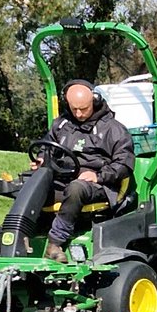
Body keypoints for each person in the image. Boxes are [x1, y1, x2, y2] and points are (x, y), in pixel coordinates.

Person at [35, 79, 135, 261]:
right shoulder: (61, 125)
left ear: (95, 102)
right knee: (31, 183)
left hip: (101, 185)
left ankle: (55, 243)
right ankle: (9, 234)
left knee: (76, 188)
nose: (79, 114)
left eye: (84, 109)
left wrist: (97, 176)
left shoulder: (113, 129)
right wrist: (42, 160)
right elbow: (47, 148)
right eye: (74, 109)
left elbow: (124, 164)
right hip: (64, 179)